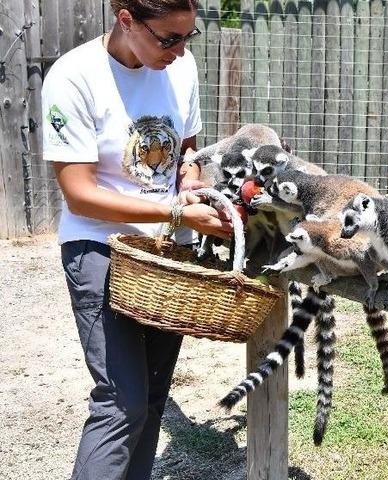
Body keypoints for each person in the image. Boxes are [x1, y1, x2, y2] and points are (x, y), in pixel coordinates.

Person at [41, 1, 232, 478]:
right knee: (120, 401)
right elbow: (80, 195)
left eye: (189, 36)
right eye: (169, 38)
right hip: (100, 250)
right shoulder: (74, 77)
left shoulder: (180, 68)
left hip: (165, 258)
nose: (181, 49)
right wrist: (174, 209)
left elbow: (185, 146)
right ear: (126, 20)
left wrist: (188, 175)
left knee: (148, 396)